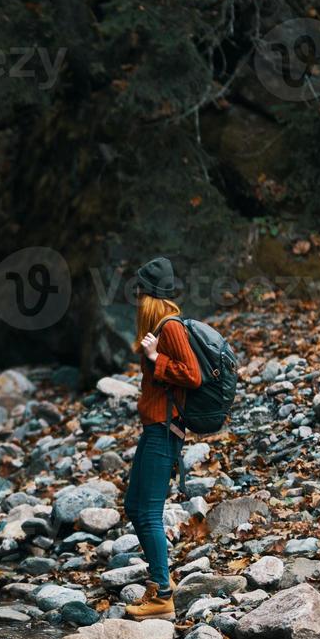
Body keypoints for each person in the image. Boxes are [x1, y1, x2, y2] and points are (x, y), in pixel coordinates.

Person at [122, 257, 202, 620]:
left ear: (148, 296)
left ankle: (163, 594)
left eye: (139, 294)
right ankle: (158, 583)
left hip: (164, 430)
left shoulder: (170, 328)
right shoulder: (160, 326)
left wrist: (156, 357)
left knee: (150, 512)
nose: (135, 301)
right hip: (153, 427)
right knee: (134, 506)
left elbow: (193, 375)